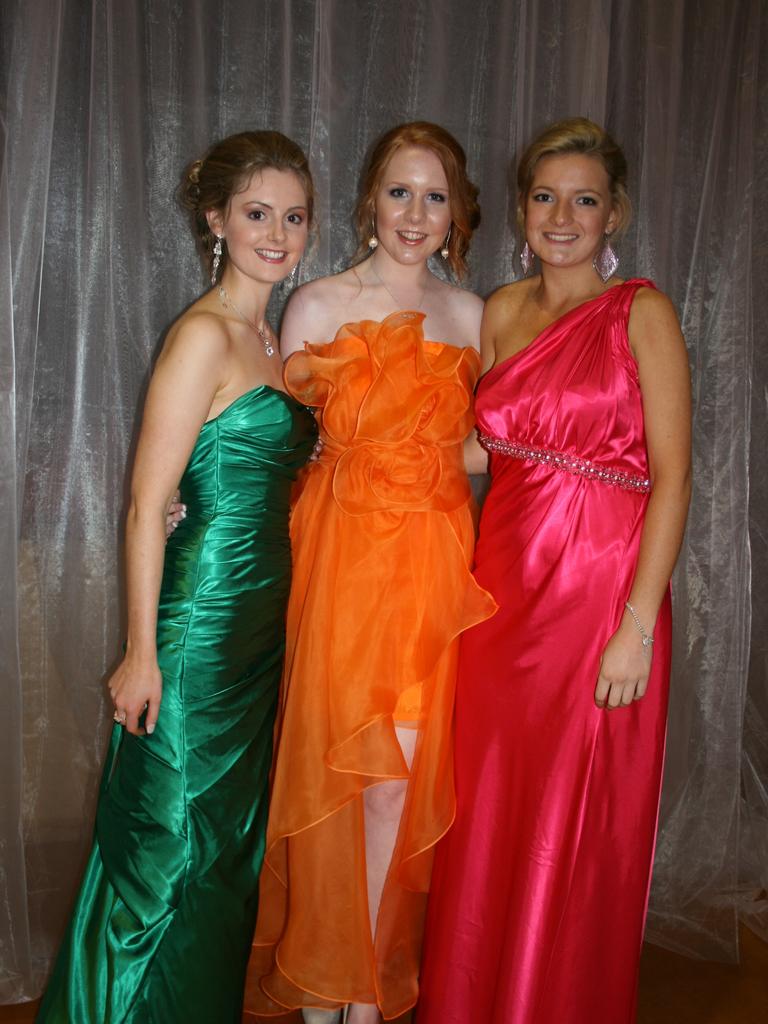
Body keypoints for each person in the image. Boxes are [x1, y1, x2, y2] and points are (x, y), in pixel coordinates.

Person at [36, 131, 317, 1024]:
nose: (278, 233)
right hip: (194, 631)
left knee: (222, 855)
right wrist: (141, 656)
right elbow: (142, 505)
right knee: (165, 852)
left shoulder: (272, 338)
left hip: (256, 637)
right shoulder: (203, 336)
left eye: (295, 216)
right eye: (257, 213)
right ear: (216, 222)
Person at [417, 117, 692, 1024]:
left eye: (584, 199)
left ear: (614, 213)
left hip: (598, 606)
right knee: (491, 813)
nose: (562, 215)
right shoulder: (499, 310)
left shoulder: (642, 312)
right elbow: (471, 453)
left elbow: (674, 477)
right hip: (501, 600)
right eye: (545, 196)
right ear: (523, 210)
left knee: (571, 830)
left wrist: (637, 628)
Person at [243, 123, 497, 1024]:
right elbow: (261, 436)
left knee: (397, 786)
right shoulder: (314, 306)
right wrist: (181, 494)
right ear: (369, 200)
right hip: (341, 562)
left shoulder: (475, 319)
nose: (415, 214)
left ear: (457, 212)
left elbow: (489, 449)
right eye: (399, 191)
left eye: (434, 196)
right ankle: (321, 991)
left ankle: (363, 995)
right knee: (331, 782)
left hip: (430, 567)